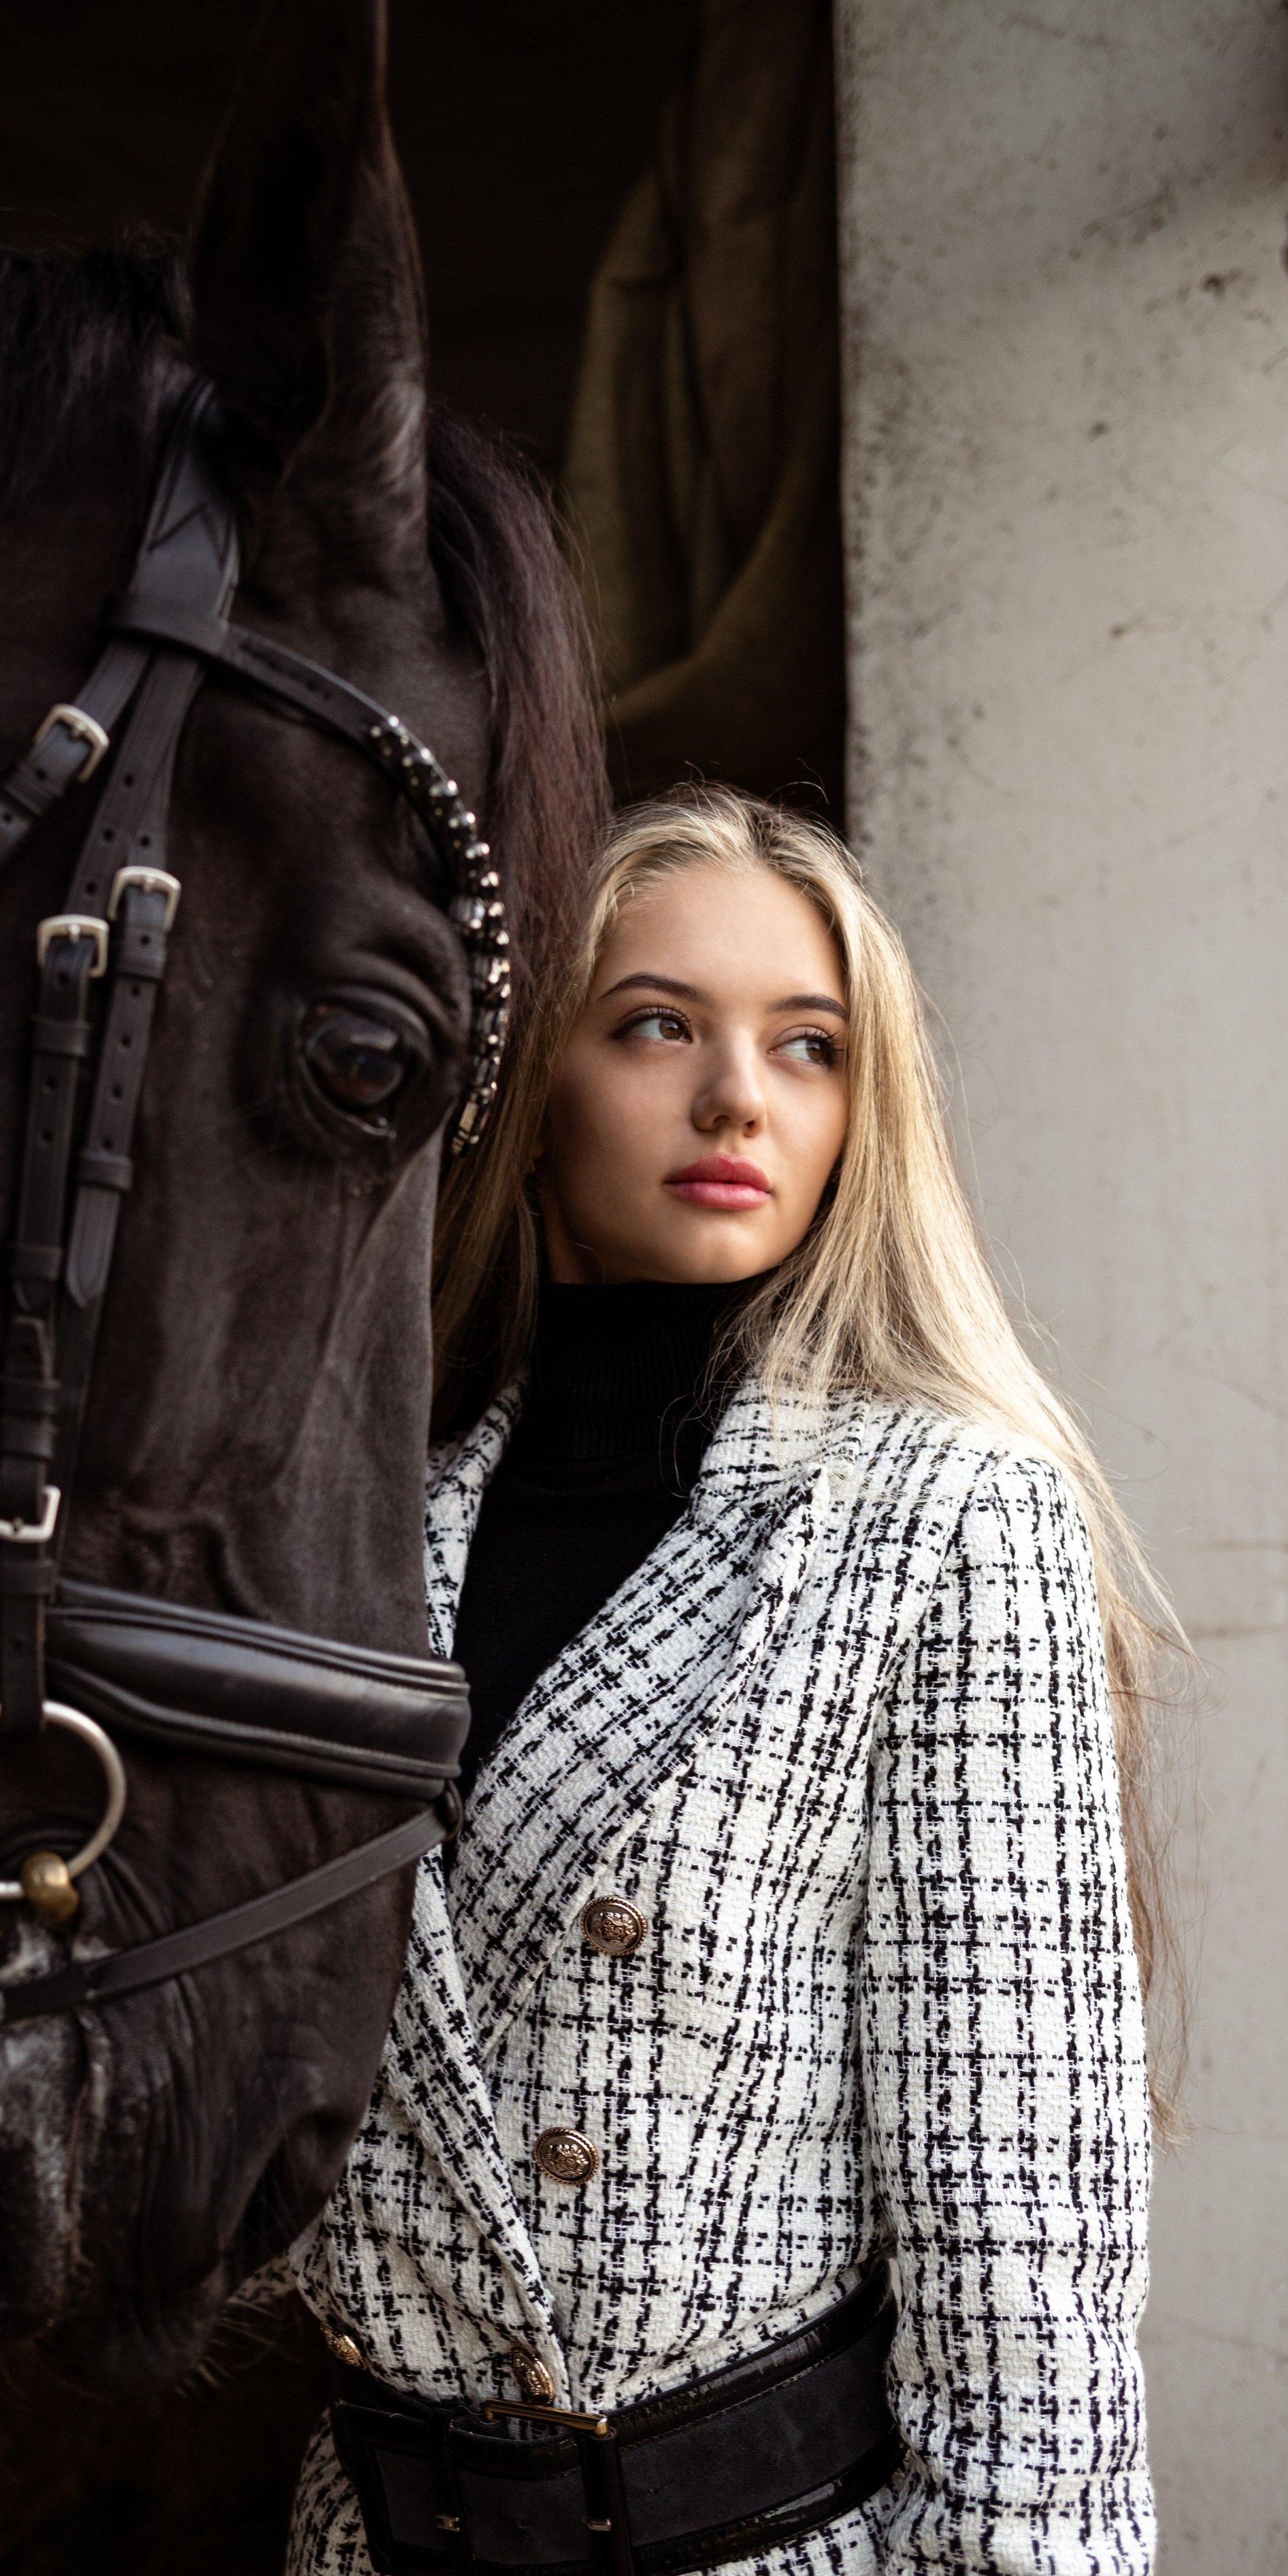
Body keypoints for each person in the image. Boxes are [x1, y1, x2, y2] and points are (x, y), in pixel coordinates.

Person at [280, 786, 1174, 2575]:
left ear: (864, 1109)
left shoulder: (942, 1516)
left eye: (810, 1046)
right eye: (656, 1026)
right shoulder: (347, 1519)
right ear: (527, 1078)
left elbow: (1015, 2198)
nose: (736, 1099)